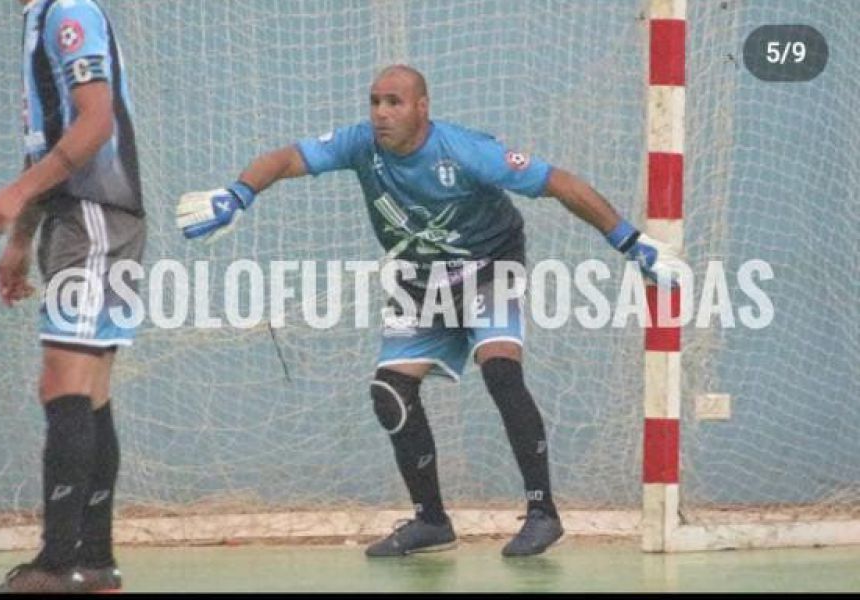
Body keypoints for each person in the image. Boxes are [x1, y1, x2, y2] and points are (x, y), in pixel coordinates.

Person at [176, 65, 679, 557]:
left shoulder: (465, 151)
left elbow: (561, 183)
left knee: (500, 370)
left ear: (422, 107)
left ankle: (542, 512)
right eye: (374, 102)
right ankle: (432, 521)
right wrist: (238, 193)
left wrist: (630, 242)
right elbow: (285, 158)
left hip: (489, 265)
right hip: (419, 281)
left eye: (393, 102)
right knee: (388, 392)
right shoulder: (360, 144)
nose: (380, 113)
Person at [0, 0, 145, 591]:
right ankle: (93, 563)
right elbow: (49, 138)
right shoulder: (40, 15)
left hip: (93, 215)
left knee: (63, 383)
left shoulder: (69, 11)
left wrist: (16, 195)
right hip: (82, 217)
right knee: (87, 390)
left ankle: (56, 563)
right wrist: (21, 242)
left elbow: (94, 125)